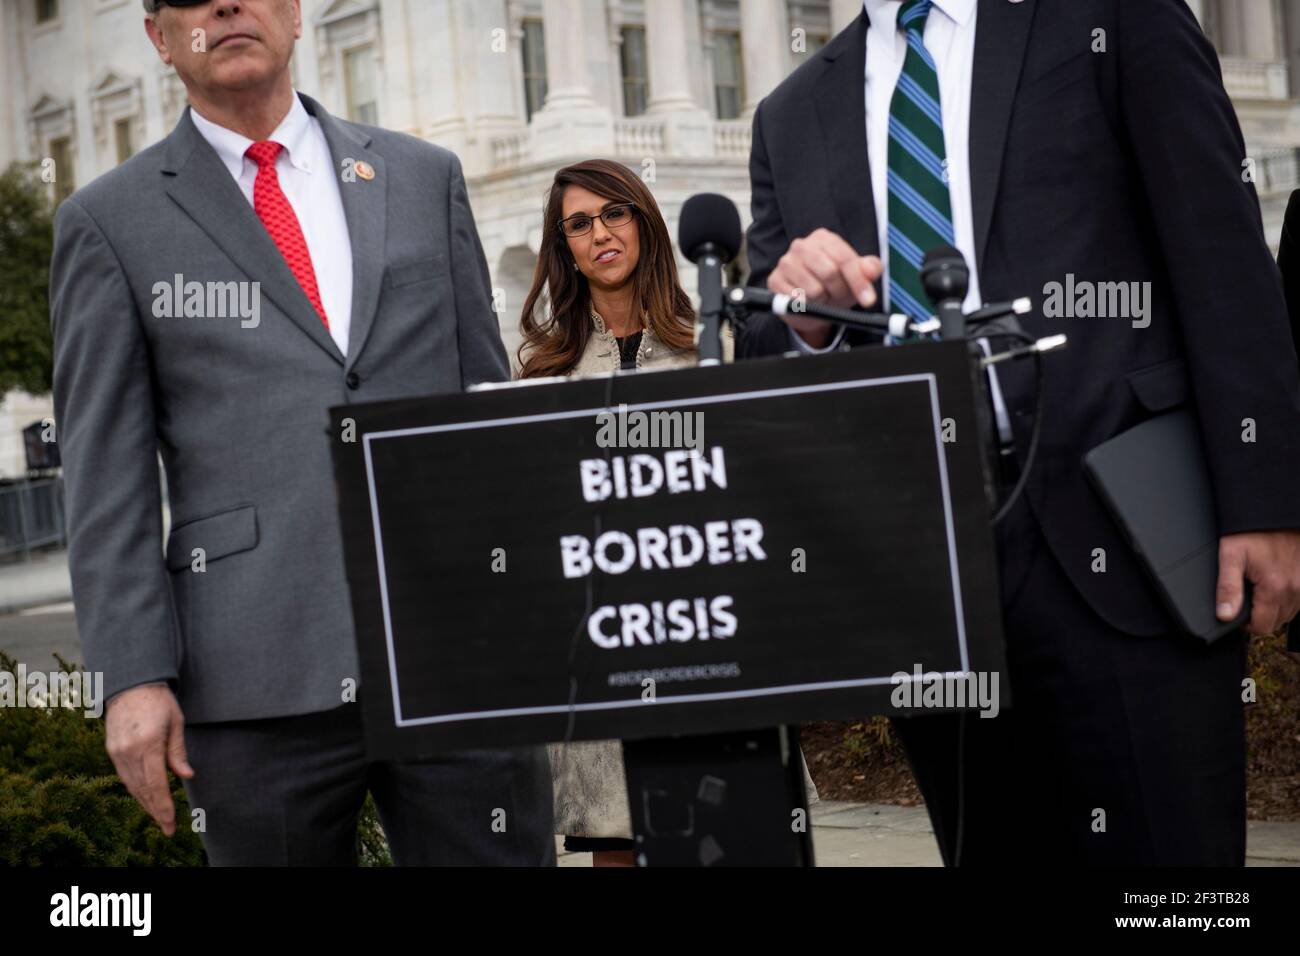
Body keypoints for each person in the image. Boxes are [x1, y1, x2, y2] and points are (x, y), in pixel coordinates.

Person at [739, 0, 1300, 865]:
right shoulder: (789, 114)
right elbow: (766, 363)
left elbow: (1220, 252)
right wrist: (805, 322)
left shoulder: (1112, 17)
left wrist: (1263, 498)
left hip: (1127, 537)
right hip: (931, 586)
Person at [48, 0, 554, 865]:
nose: (228, 7)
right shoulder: (109, 222)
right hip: (253, 681)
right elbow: (105, 474)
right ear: (160, 36)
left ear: (294, 15)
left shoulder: (423, 176)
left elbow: (483, 401)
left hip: (455, 655)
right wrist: (132, 675)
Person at [518, 158, 737, 865]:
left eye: (615, 214)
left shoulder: (715, 348)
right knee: (616, 843)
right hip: (600, 644)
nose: (600, 234)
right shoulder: (543, 370)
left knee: (722, 837)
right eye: (578, 224)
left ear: (644, 222)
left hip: (706, 635)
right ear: (565, 250)